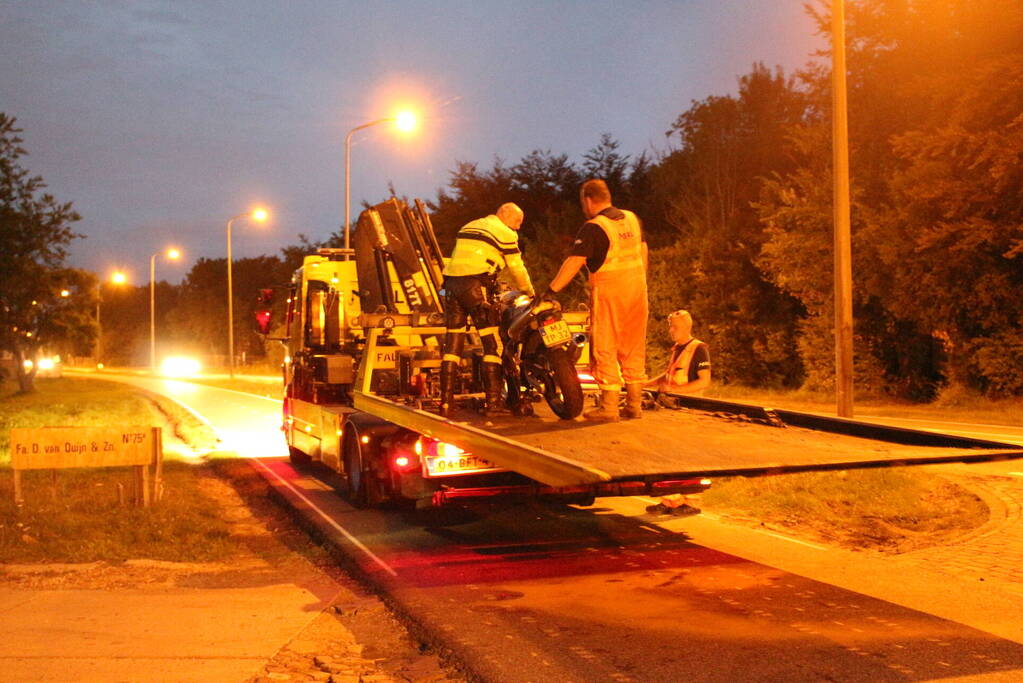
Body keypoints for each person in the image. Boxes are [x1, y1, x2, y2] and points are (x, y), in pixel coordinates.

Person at [545, 179, 648, 421]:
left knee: (605, 346)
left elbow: (574, 262)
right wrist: (642, 281)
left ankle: (609, 408)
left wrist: (551, 290)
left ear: (588, 200)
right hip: (638, 289)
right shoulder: (632, 219)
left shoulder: (594, 227)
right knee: (633, 345)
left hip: (611, 291)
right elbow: (643, 250)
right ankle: (634, 405)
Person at [439, 203, 534, 418]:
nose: (517, 228)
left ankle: (446, 403)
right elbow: (517, 267)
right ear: (505, 216)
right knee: (492, 344)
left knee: (452, 345)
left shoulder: (469, 226)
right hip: (476, 288)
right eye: (517, 222)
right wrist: (530, 292)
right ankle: (493, 404)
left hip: (452, 287)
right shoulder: (505, 233)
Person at [647, 309, 711, 397]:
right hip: (673, 403)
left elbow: (704, 382)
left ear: (687, 327)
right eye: (670, 326)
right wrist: (645, 384)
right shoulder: (677, 347)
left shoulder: (699, 348)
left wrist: (673, 389)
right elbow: (669, 375)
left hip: (690, 406)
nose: (671, 330)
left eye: (675, 327)